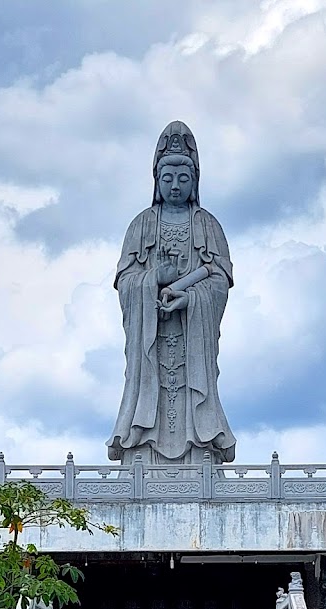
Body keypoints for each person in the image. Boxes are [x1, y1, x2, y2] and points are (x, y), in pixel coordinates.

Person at [107, 121, 237, 466]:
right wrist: (153, 279)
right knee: (149, 387)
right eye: (168, 179)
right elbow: (125, 280)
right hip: (152, 335)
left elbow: (220, 280)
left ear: (195, 180)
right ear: (156, 181)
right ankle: (142, 444)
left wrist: (191, 298)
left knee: (194, 390)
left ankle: (201, 444)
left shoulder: (207, 225)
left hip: (192, 333)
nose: (176, 186)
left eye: (184, 178)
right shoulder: (142, 225)